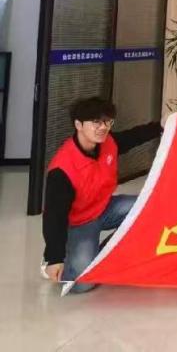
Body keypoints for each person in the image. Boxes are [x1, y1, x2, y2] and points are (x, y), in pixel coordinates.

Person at [42, 97, 162, 293]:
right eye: (96, 122)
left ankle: (103, 257)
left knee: (150, 209)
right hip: (79, 222)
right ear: (78, 125)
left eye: (107, 121)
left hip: (104, 208)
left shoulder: (108, 142)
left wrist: (161, 126)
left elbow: (133, 137)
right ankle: (72, 259)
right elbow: (54, 217)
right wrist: (53, 258)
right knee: (81, 285)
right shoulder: (62, 169)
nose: (103, 127)